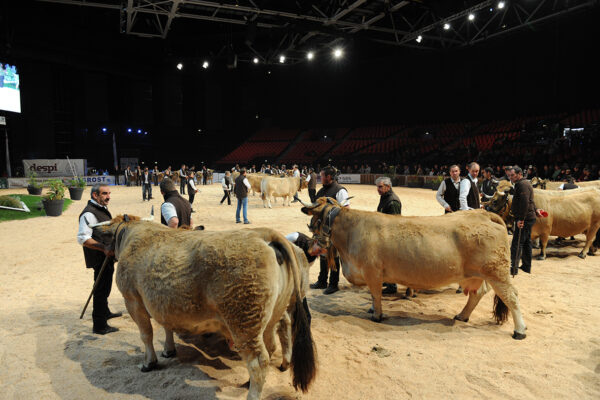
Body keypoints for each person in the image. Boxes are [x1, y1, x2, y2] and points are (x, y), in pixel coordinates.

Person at [77, 184, 121, 334]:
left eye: (109, 193)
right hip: (99, 257)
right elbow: (83, 239)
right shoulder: (88, 213)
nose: (108, 196)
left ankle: (105, 312)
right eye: (104, 194)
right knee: (100, 289)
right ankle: (100, 325)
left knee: (105, 286)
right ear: (95, 195)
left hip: (106, 256)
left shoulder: (100, 208)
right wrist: (104, 248)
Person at [309, 166, 350, 295]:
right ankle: (322, 281)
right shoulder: (322, 190)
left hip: (334, 230)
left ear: (329, 177)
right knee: (322, 254)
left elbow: (346, 210)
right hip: (321, 230)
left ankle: (333, 284)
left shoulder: (340, 191)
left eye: (322, 176)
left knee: (333, 257)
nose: (320, 178)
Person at [509, 166, 542, 273]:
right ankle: (526, 266)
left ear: (519, 174)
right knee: (527, 242)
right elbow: (530, 201)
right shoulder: (524, 183)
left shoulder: (522, 185)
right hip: (528, 217)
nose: (510, 177)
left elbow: (525, 203)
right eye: (509, 175)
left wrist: (520, 219)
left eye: (512, 175)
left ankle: (513, 269)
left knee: (517, 243)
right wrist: (536, 210)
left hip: (525, 219)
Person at [375, 176, 402, 295]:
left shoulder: (392, 201)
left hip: (390, 237)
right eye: (377, 187)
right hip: (383, 235)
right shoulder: (384, 197)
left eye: (380, 187)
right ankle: (387, 281)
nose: (378, 189)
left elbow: (394, 223)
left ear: (388, 187)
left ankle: (392, 286)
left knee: (389, 262)